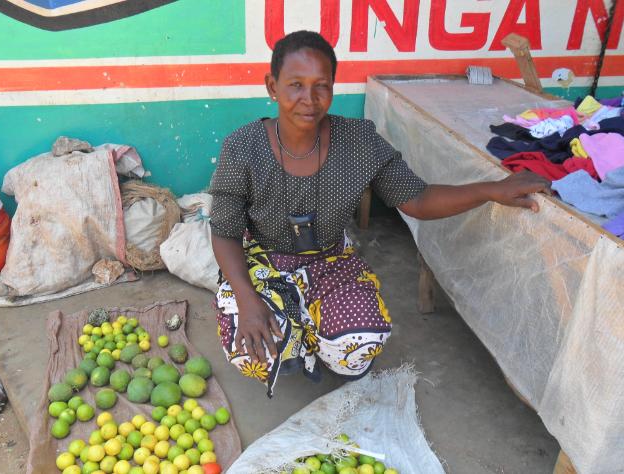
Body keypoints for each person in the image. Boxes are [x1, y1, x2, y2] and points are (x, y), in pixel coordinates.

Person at [209, 30, 551, 397]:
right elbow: (225, 231)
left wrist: (491, 190)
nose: (309, 99)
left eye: (321, 86)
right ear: (272, 87)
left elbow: (417, 199)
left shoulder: (359, 141)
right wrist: (247, 298)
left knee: (360, 341)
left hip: (329, 261)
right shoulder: (242, 148)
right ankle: (296, 340)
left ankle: (326, 347)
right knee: (251, 349)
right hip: (265, 262)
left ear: (333, 87)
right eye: (296, 85)